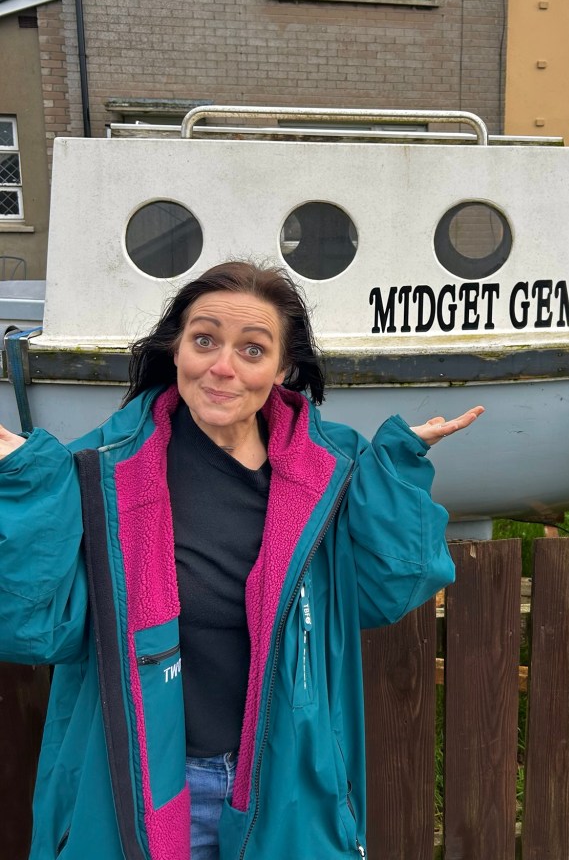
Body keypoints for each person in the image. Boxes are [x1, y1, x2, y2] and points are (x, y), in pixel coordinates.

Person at [0, 260, 483, 860]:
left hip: (285, 780)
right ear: (176, 348)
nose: (222, 367)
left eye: (252, 349)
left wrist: (397, 468)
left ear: (282, 370)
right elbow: (35, 628)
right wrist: (23, 486)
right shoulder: (102, 471)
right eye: (205, 340)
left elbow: (388, 591)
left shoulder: (330, 472)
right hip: (136, 782)